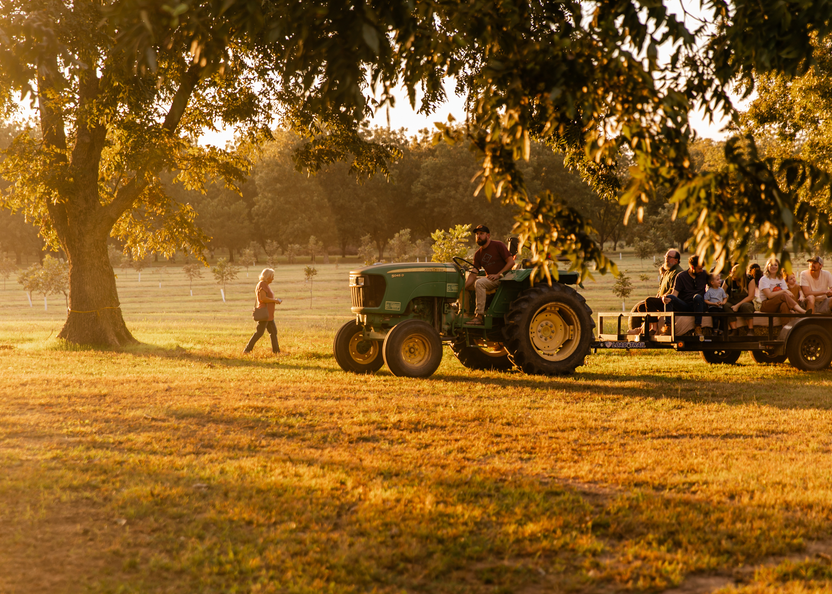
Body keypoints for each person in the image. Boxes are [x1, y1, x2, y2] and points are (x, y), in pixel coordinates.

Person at [464, 224, 515, 325]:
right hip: (490, 279)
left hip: (503, 278)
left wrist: (498, 274)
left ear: (488, 235)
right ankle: (464, 314)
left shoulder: (498, 245)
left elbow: (511, 262)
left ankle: (479, 316)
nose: (478, 236)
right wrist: (464, 286)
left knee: (480, 283)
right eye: (477, 234)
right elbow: (474, 273)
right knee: (463, 286)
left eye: (481, 233)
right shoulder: (478, 254)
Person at [631, 250, 683, 333]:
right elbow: (660, 289)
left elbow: (673, 289)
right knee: (641, 307)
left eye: (669, 257)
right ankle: (645, 329)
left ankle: (654, 329)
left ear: (676, 260)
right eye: (666, 257)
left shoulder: (677, 272)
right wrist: (657, 297)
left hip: (669, 301)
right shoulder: (668, 271)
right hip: (662, 299)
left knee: (649, 300)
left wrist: (661, 298)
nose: (666, 259)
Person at [662, 254, 709, 336]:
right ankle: (668, 327)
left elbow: (715, 283)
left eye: (702, 268)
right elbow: (675, 293)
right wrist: (665, 298)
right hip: (686, 305)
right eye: (699, 268)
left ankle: (698, 327)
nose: (701, 270)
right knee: (669, 297)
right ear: (692, 267)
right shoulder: (681, 276)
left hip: (700, 304)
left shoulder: (704, 274)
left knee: (697, 297)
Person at [244, 268, 283, 353]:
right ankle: (247, 350)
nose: (273, 278)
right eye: (272, 276)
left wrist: (274, 301)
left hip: (269, 314)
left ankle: (276, 351)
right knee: (259, 332)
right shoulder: (262, 284)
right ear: (267, 277)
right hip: (264, 313)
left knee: (273, 332)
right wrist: (274, 300)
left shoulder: (265, 285)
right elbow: (262, 298)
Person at [722, 263, 755, 336]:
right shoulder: (728, 280)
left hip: (745, 302)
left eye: (735, 273)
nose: (732, 275)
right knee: (726, 306)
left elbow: (750, 297)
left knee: (746, 306)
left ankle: (750, 329)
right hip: (732, 301)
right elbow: (722, 292)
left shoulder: (749, 279)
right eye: (732, 272)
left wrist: (737, 305)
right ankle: (734, 329)